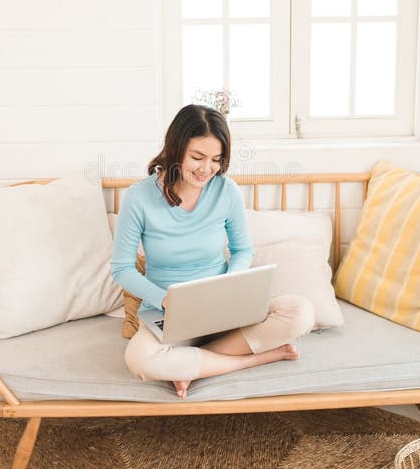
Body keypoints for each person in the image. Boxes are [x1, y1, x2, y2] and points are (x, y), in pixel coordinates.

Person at [111, 104, 315, 399]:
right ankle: (256, 358)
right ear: (176, 149)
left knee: (301, 312)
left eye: (216, 160)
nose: (207, 169)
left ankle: (194, 364)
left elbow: (242, 249)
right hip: (169, 315)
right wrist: (164, 299)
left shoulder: (226, 190)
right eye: (197, 157)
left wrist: (230, 285)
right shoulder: (139, 197)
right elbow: (122, 268)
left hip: (224, 309)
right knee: (138, 359)